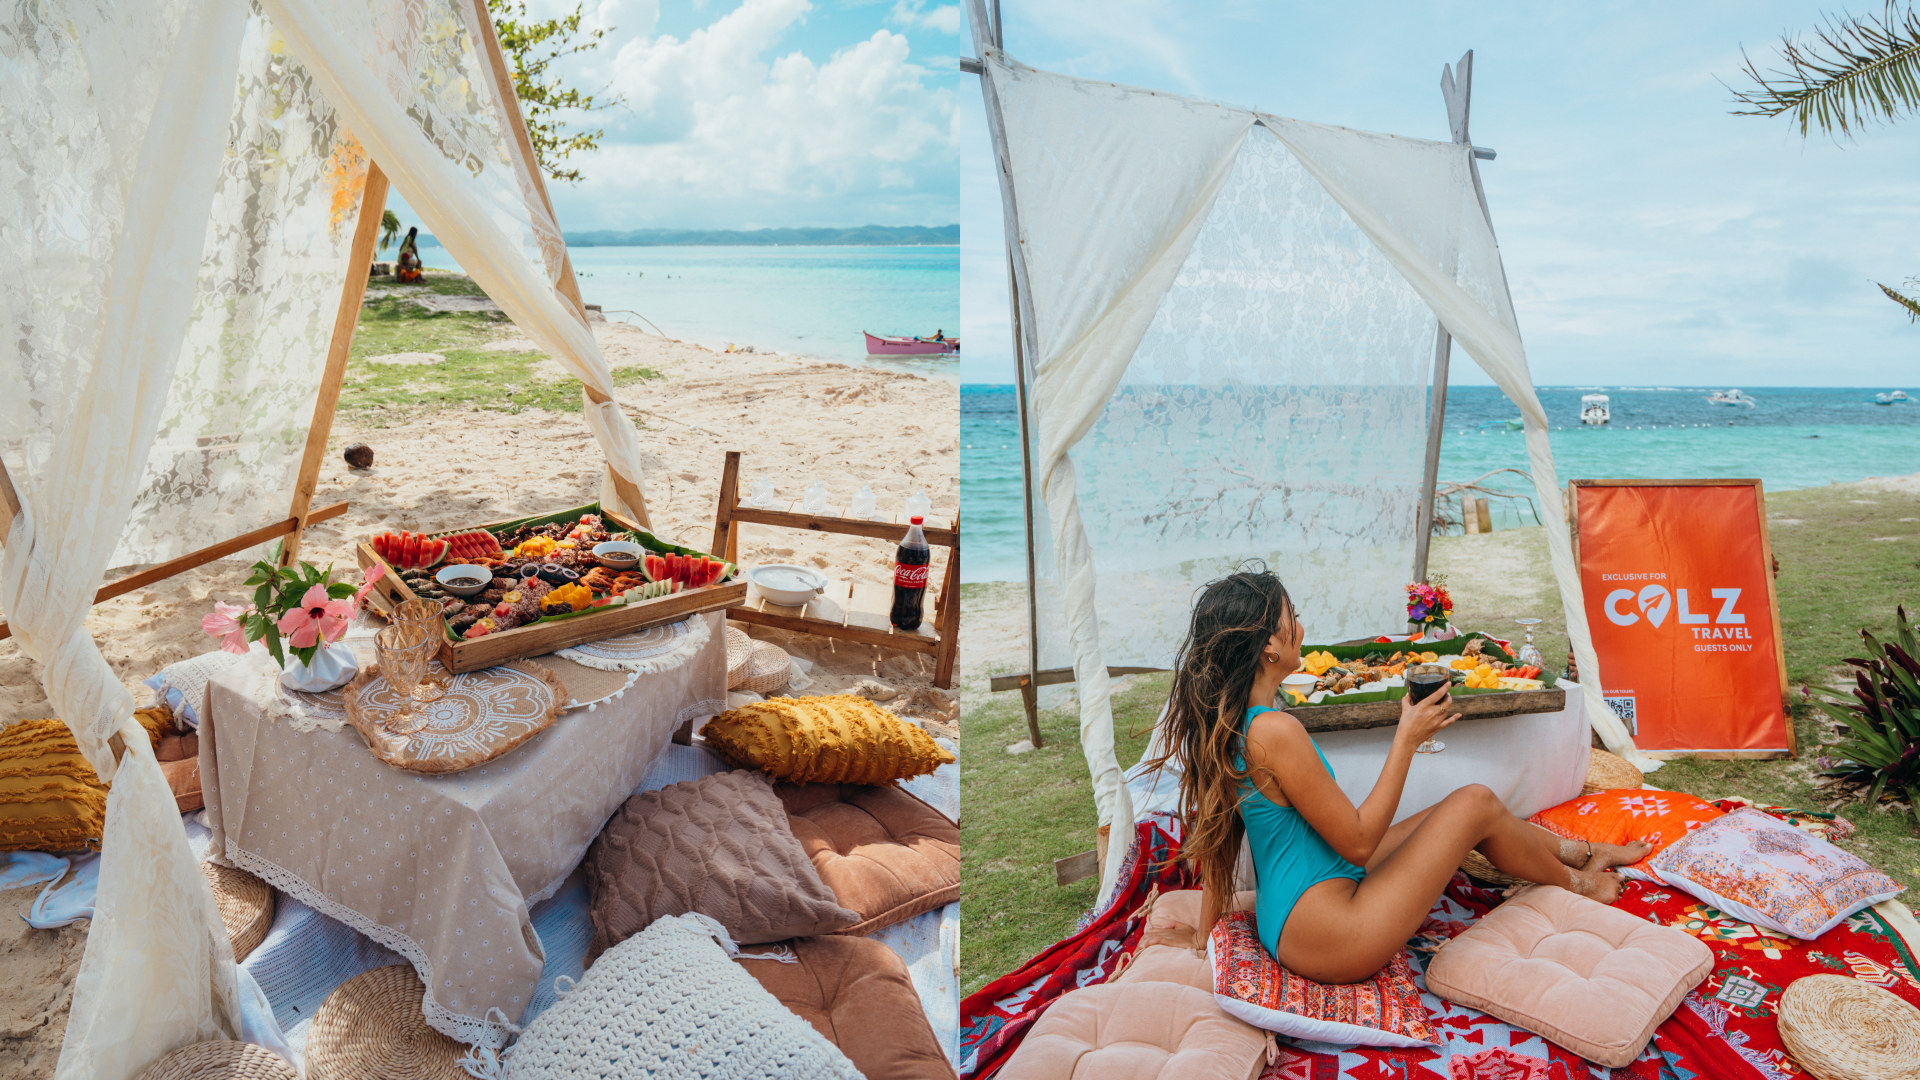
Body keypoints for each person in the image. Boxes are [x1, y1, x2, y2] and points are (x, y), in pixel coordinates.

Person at [1146, 568, 1647, 985]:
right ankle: (1577, 885)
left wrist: (1203, 934)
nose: (1300, 626)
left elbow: (1220, 842)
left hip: (1300, 914)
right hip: (1331, 934)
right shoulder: (1275, 731)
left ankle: (1581, 855)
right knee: (1471, 802)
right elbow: (1361, 843)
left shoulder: (1233, 724)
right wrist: (1406, 738)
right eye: (1290, 618)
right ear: (1269, 649)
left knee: (1475, 806)